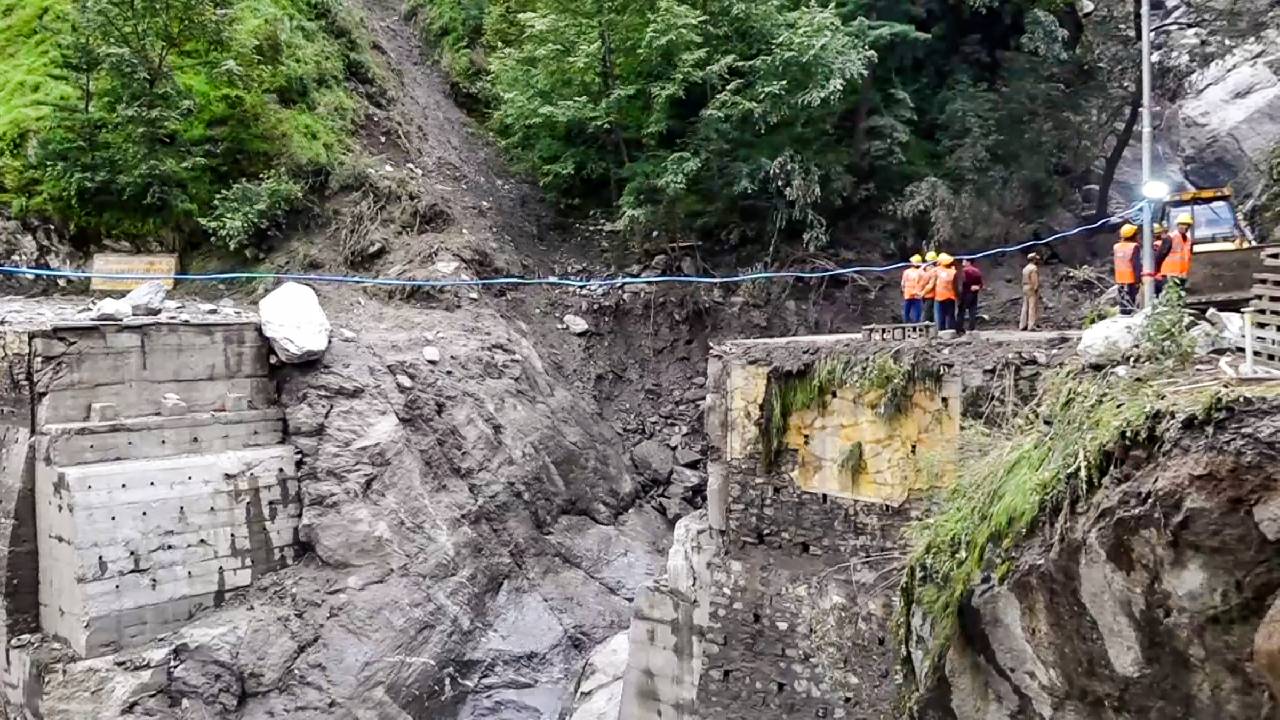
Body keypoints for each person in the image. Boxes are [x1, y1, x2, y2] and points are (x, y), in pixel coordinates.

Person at [1155, 212, 1194, 293]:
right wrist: (1156, 272)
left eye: (1187, 225)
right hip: (1169, 275)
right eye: (1182, 224)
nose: (1185, 227)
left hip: (1181, 276)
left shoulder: (1188, 240)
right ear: (1178, 225)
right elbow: (1159, 256)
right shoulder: (1170, 238)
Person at [1113, 223, 1141, 314]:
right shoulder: (1134, 247)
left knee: (1122, 297)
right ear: (1133, 235)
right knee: (1131, 297)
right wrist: (1138, 280)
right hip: (1130, 277)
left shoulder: (1116, 247)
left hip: (1119, 277)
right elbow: (1136, 265)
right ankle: (1129, 313)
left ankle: (1123, 312)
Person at [958, 258, 984, 333]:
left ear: (968, 262)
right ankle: (971, 328)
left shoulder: (964, 271)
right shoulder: (977, 271)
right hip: (974, 293)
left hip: (965, 293)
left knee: (961, 311)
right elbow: (981, 283)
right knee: (972, 311)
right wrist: (978, 287)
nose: (962, 262)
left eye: (964, 260)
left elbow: (963, 282)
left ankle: (959, 328)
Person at [934, 253, 959, 331]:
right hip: (950, 296)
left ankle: (941, 330)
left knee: (940, 315)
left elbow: (932, 282)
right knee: (950, 315)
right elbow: (955, 286)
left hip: (939, 297)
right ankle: (952, 330)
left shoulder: (936, 270)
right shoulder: (953, 272)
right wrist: (957, 296)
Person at [901, 255, 926, 323]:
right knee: (917, 310)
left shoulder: (906, 272)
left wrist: (903, 290)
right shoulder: (922, 272)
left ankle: (906, 322)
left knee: (907, 310)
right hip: (917, 294)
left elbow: (903, 283)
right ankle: (916, 322)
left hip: (908, 293)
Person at [1019, 253, 1040, 331]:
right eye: (1036, 259)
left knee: (1025, 306)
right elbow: (1034, 280)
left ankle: (1022, 324)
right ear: (1034, 259)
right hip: (1031, 287)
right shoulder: (1033, 268)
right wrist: (1036, 288)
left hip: (1025, 287)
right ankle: (1031, 325)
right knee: (1032, 306)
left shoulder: (1025, 268)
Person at [921, 250, 939, 323]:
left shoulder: (924, 269)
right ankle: (928, 321)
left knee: (927, 309)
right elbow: (930, 284)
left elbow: (929, 284)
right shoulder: (933, 270)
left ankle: (927, 322)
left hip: (928, 293)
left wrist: (922, 292)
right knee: (928, 309)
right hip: (929, 293)